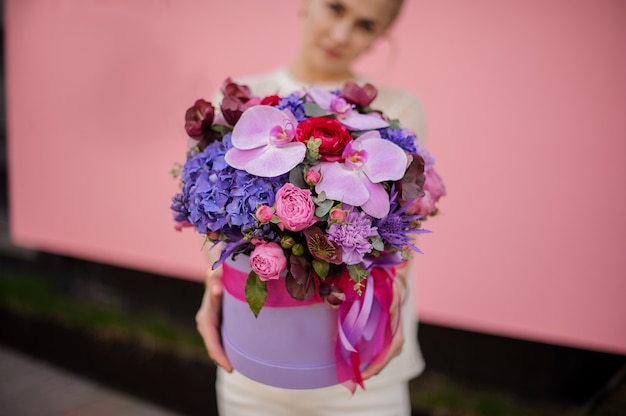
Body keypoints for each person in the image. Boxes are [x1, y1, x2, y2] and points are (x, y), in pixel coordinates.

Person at [196, 0, 427, 414]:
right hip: (256, 359)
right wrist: (210, 293)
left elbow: (407, 226)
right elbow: (214, 223)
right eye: (336, 8)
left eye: (365, 24)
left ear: (380, 35)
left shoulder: (399, 110)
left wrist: (396, 295)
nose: (341, 35)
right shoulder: (240, 102)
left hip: (364, 366)